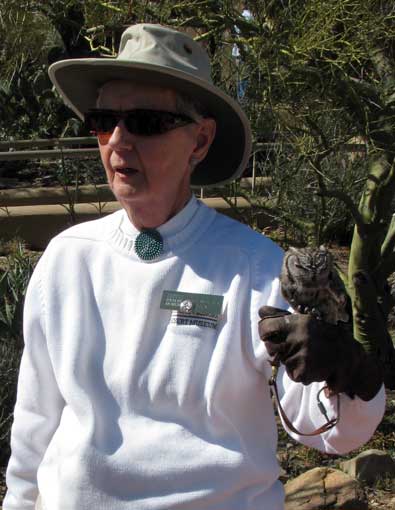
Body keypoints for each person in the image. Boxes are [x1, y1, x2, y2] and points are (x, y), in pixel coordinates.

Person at [4, 23, 385, 510]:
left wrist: (350, 373)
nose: (118, 140)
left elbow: (326, 431)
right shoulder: (66, 259)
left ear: (200, 141)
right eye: (103, 120)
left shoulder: (256, 269)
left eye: (144, 121)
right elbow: (36, 419)